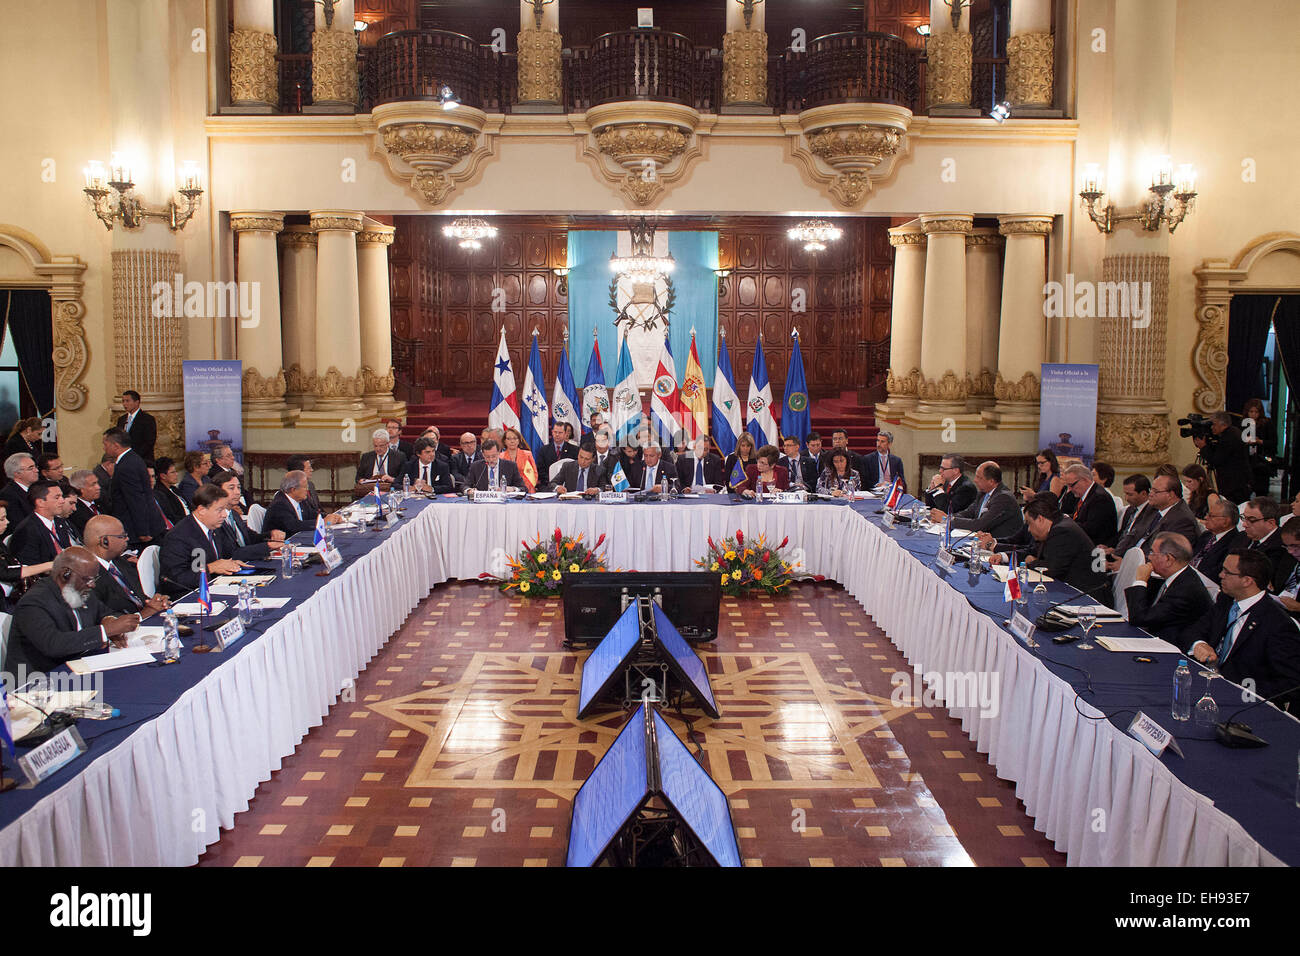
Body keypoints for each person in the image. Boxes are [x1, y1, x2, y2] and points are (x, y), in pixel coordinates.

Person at [1185, 549, 1300, 710]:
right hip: (1206, 687)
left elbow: (1290, 683)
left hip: (1243, 705)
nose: (1220, 575)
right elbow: (1193, 631)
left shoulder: (1278, 624)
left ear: (1247, 580)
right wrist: (1199, 644)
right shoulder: (1226, 601)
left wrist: (1241, 692)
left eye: (1227, 572)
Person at [4, 548, 141, 673]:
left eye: (94, 579)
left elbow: (103, 612)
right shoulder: (33, 602)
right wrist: (105, 631)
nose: (92, 585)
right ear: (65, 574)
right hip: (40, 681)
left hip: (78, 666)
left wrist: (110, 620)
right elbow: (53, 644)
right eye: (88, 579)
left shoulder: (79, 589)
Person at [988, 496, 1107, 594]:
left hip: (1086, 595)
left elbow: (1051, 569)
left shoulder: (1062, 531)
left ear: (1040, 519)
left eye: (1029, 523)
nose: (1028, 529)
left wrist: (1030, 563)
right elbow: (1031, 551)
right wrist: (1003, 556)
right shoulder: (1055, 526)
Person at [1123, 532, 1214, 646]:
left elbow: (1140, 618)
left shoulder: (1185, 589)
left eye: (1152, 553)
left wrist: (1140, 580)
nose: (1148, 557)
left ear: (1168, 559)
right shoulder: (1177, 577)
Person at [160, 484, 250, 596]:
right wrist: (211, 568)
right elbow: (174, 580)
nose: (224, 515)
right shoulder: (178, 536)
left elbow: (223, 556)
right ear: (202, 510)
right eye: (219, 510)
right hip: (188, 596)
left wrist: (229, 563)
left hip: (215, 587)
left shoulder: (215, 528)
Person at [85, 514, 169, 616]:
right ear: (105, 542)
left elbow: (139, 597)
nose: (127, 539)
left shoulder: (121, 562)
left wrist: (155, 603)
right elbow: (102, 618)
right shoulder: (87, 576)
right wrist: (141, 616)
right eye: (122, 536)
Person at [103, 428, 165, 546]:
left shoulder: (126, 465)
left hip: (137, 530)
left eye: (105, 444)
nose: (104, 448)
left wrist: (143, 530)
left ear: (116, 445)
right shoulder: (133, 458)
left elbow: (136, 499)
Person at [212, 470, 284, 560]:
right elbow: (230, 553)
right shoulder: (215, 519)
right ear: (217, 492)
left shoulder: (234, 514)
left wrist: (271, 534)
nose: (237, 492)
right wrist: (267, 546)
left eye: (238, 487)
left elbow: (251, 538)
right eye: (231, 488)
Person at [948, 461, 1025, 540]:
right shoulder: (983, 493)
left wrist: (950, 521)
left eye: (979, 477)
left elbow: (980, 525)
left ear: (991, 481)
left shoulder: (1003, 498)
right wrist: (949, 517)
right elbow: (968, 513)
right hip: (981, 540)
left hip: (1001, 545)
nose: (975, 480)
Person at [0, 499, 53, 611]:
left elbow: (13, 564)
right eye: (2, 519)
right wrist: (48, 565)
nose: (7, 522)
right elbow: (5, 573)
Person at [7, 480, 73, 565]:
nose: (62, 501)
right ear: (40, 502)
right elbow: (30, 565)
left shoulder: (59, 522)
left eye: (62, 496)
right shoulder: (26, 530)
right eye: (57, 497)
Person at [1193, 411, 1252, 503]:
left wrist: (1203, 447)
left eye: (1214, 424)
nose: (1212, 427)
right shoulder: (1232, 432)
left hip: (1233, 484)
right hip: (1238, 481)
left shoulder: (1229, 437)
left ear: (1223, 424)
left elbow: (1216, 460)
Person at [1241, 496, 1296, 593]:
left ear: (1270, 523)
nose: (1244, 524)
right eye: (1244, 518)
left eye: (1251, 520)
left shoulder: (1282, 545)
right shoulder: (1241, 537)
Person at [1056, 463, 1118, 548]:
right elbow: (1077, 518)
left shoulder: (1100, 498)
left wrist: (1064, 524)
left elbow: (1090, 529)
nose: (1070, 489)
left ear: (1084, 480)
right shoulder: (1086, 494)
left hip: (1094, 547)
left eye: (1071, 485)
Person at [266, 470, 343, 537]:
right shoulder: (280, 504)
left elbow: (312, 514)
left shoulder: (300, 499)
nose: (307, 490)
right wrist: (322, 522)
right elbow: (294, 526)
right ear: (293, 490)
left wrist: (330, 516)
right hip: (282, 544)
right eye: (305, 487)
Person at [1191, 498, 1245, 582]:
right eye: (1207, 514)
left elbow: (1217, 573)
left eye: (1211, 516)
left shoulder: (1235, 543)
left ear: (1226, 521)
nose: (1206, 517)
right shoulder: (1206, 535)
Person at [1241, 397, 1275, 497]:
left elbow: (1273, 442)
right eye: (1251, 411)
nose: (1253, 414)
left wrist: (1259, 441)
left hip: (1262, 462)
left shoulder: (1267, 423)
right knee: (1245, 491)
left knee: (1261, 491)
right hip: (1247, 461)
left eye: (1256, 412)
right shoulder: (1243, 423)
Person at [355, 428, 405, 494]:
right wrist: (362, 480)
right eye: (375, 446)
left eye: (381, 446)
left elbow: (403, 478)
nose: (378, 449)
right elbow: (358, 477)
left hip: (390, 490)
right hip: (370, 490)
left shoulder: (399, 456)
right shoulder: (366, 457)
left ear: (388, 444)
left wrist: (392, 479)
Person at [116, 390, 157, 462]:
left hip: (142, 460)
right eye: (123, 401)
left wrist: (132, 456)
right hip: (124, 460)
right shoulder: (121, 419)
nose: (124, 404)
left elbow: (149, 443)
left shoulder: (148, 419)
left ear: (137, 402)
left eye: (127, 401)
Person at [1, 453, 39, 522]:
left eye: (35, 467)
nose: (36, 470)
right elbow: (19, 524)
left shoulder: (37, 488)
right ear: (17, 474)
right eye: (31, 468)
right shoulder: (8, 495)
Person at [153, 457, 191, 526]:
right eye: (173, 472)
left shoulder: (174, 489)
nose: (176, 474)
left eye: (176, 471)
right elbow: (173, 517)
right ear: (163, 476)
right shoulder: (161, 494)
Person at [66, 469, 103, 539]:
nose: (98, 487)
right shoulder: (75, 511)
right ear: (80, 489)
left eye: (97, 483)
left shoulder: (102, 501)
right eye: (93, 484)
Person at [501, 426, 540, 492]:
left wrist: (523, 489)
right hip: (507, 490)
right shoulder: (500, 457)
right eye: (509, 439)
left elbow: (533, 475)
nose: (512, 441)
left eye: (515, 438)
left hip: (526, 490)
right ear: (505, 441)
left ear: (519, 440)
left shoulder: (527, 455)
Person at [286, 455, 323, 519]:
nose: (312, 470)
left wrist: (330, 516)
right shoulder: (292, 491)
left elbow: (319, 509)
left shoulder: (310, 485)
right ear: (299, 471)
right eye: (309, 468)